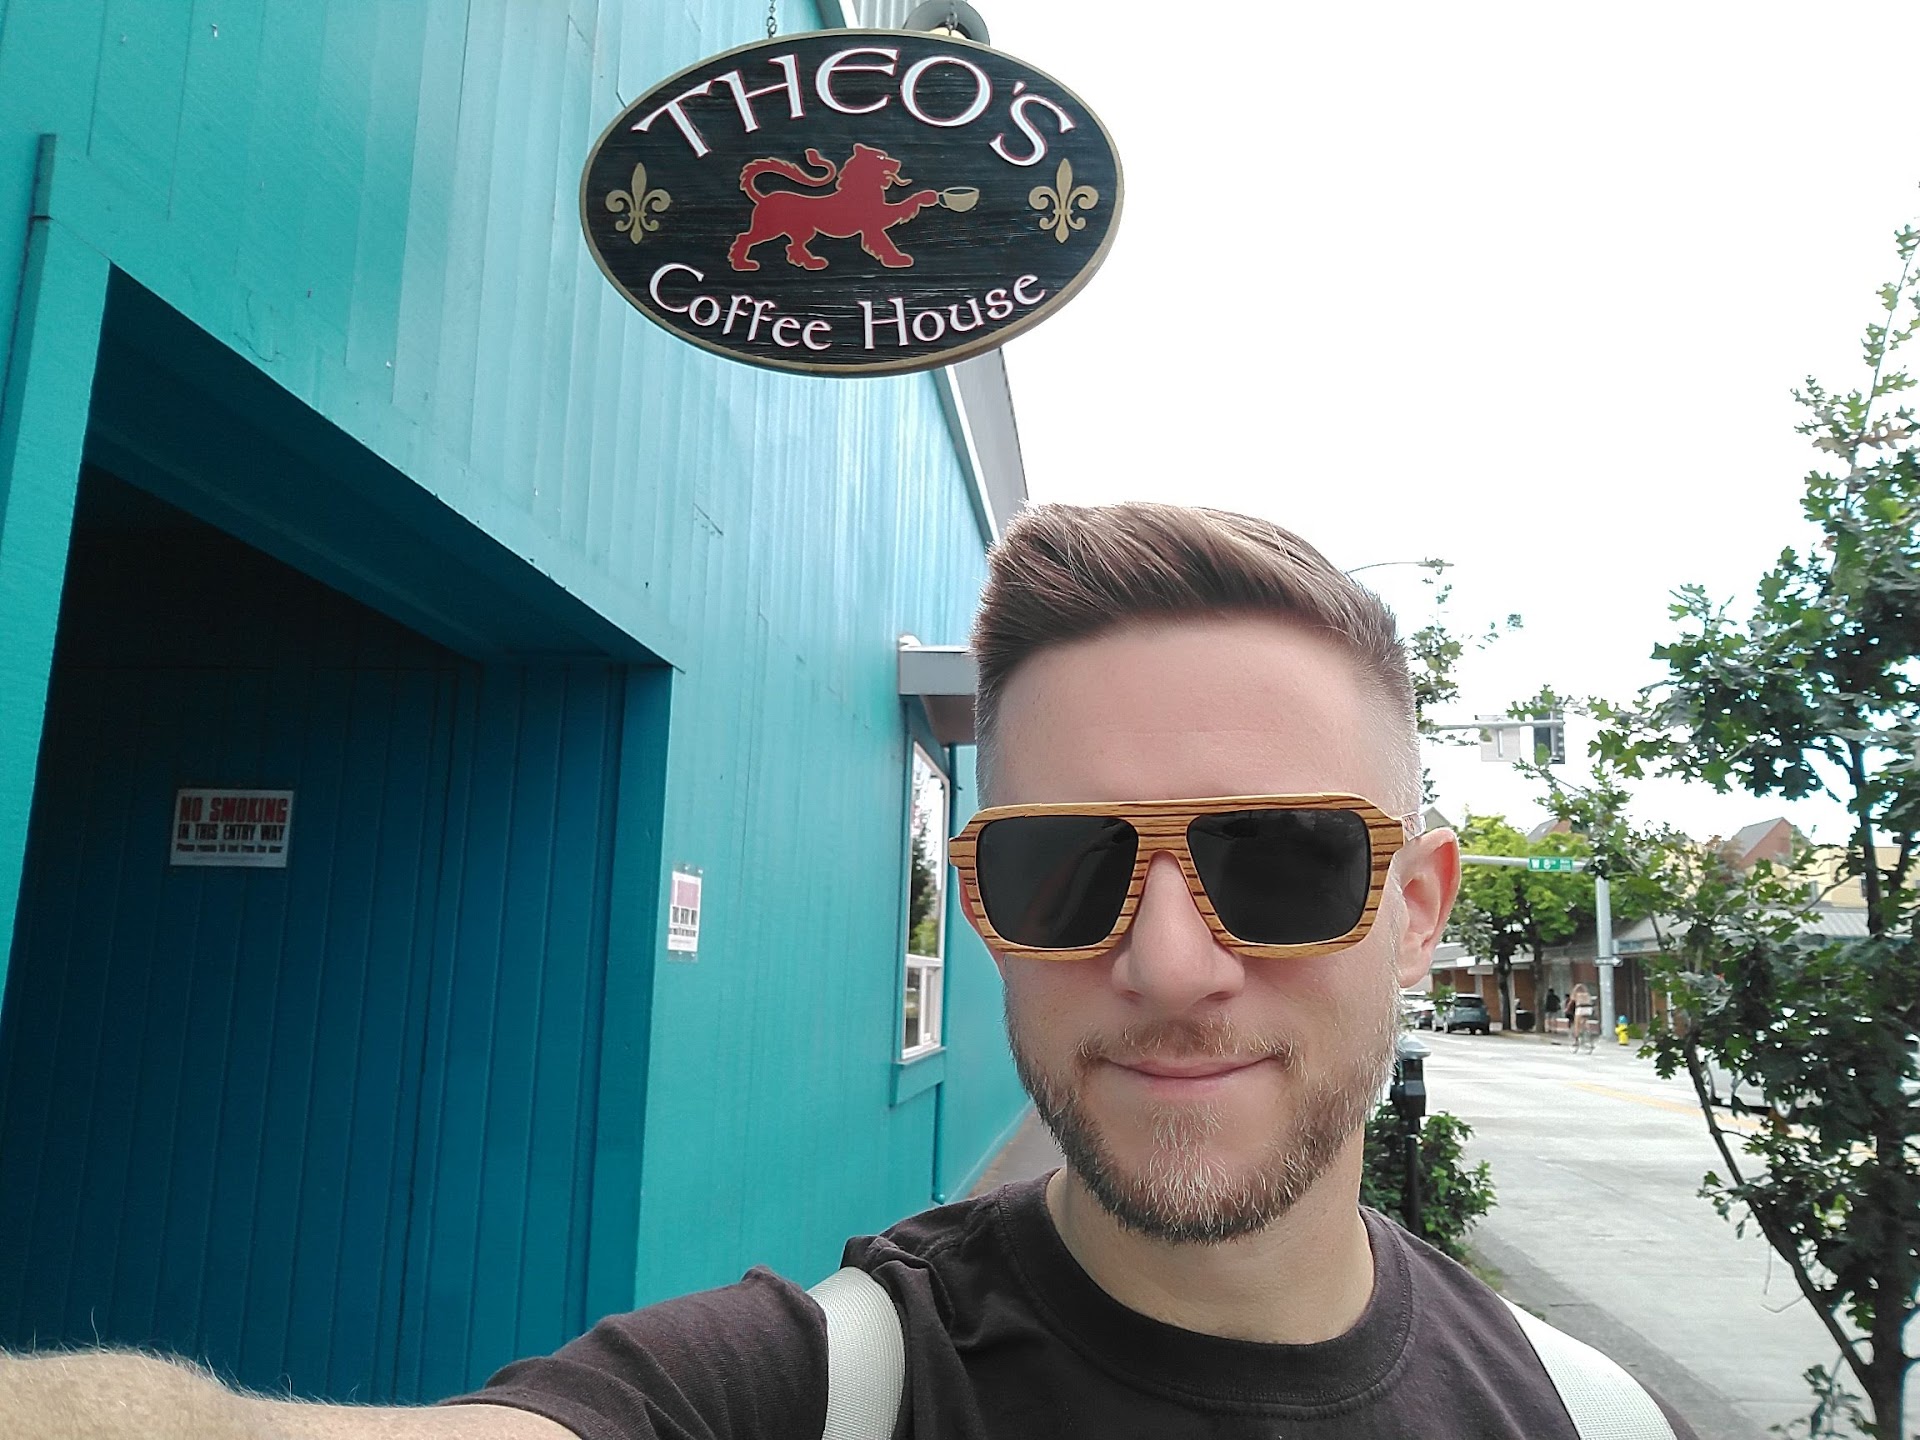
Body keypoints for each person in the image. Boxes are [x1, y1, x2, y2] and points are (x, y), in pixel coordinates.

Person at [0, 504, 1695, 1438]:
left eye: (1284, 859)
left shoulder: (1591, 1419)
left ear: (1416, 907)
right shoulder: (811, 1396)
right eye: (1064, 869)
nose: (1172, 964)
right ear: (984, 909)